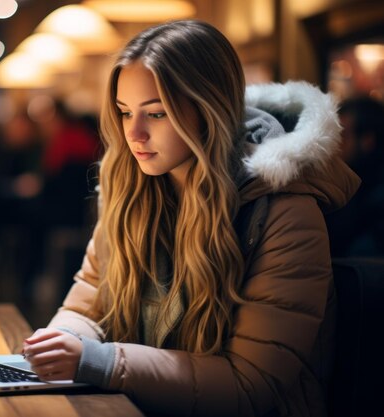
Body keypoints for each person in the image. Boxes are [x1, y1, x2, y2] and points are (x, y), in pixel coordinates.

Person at [20, 19, 360, 416]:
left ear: (209, 110)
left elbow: (252, 385)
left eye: (157, 114)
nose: (135, 134)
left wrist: (102, 361)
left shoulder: (285, 213)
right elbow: (87, 307)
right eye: (125, 112)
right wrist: (61, 341)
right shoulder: (131, 192)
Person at [326, 95, 384, 256]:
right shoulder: (350, 182)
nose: (335, 144)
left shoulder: (373, 196)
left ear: (367, 141)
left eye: (343, 136)